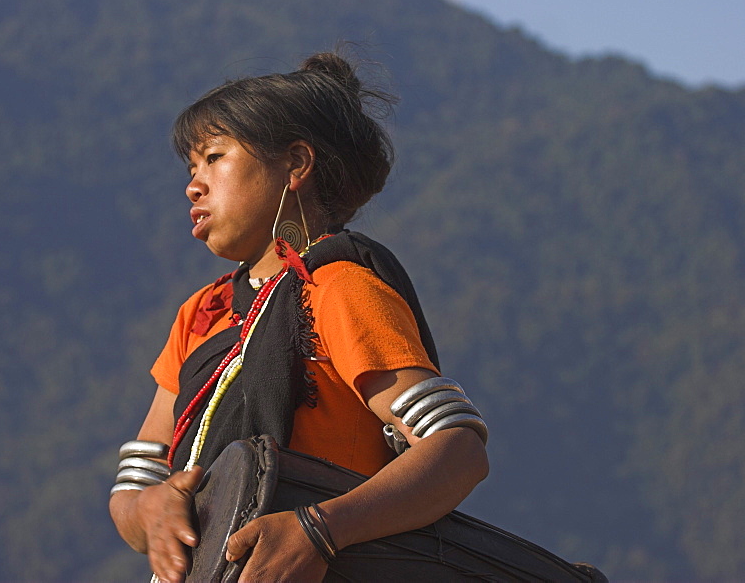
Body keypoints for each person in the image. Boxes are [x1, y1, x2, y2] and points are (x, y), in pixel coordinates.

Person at [109, 52, 489, 583]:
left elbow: (457, 449)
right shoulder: (203, 314)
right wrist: (148, 513)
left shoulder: (338, 289)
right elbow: (137, 481)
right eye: (191, 169)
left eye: (215, 157)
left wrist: (318, 530)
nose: (194, 185)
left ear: (296, 164)